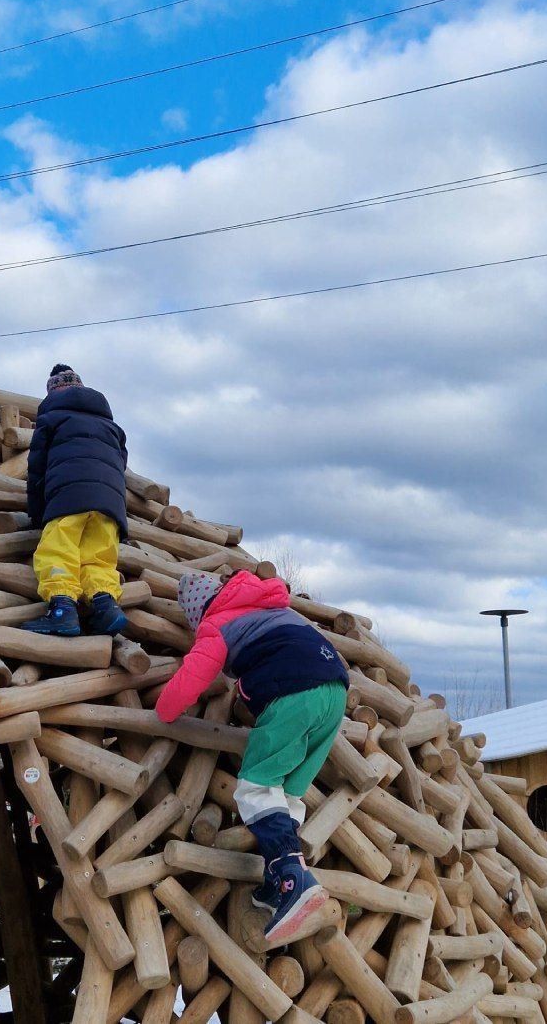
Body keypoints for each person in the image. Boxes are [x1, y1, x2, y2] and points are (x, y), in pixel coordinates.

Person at [154, 569, 348, 946]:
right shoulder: (272, 608)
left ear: (198, 613)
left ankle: (294, 880)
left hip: (294, 693)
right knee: (287, 794)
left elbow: (189, 682)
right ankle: (282, 879)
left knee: (255, 787)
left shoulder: (216, 624)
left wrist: (163, 711)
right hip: (335, 691)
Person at [22, 364, 129, 638]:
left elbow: (38, 469)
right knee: (99, 559)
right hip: (109, 505)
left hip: (68, 497)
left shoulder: (52, 419)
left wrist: (38, 513)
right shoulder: (112, 427)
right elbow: (121, 467)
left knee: (58, 550)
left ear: (52, 394)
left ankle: (62, 611)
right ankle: (105, 607)